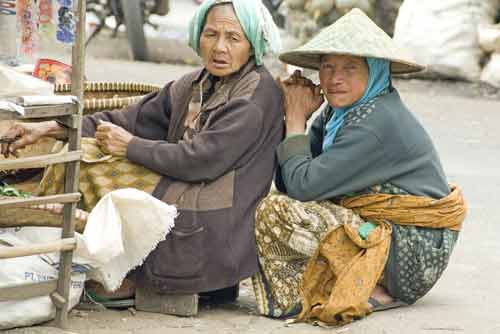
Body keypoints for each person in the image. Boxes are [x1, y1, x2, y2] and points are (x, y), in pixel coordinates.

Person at [1, 0, 284, 314]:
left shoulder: (255, 97)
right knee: (80, 150)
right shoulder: (196, 83)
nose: (219, 47)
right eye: (211, 34)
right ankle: (64, 258)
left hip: (214, 220)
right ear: (197, 36)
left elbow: (200, 160)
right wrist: (50, 129)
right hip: (185, 184)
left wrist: (131, 146)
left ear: (253, 45)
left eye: (233, 38)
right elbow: (129, 119)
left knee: (94, 171)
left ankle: (121, 272)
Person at [251, 9, 466, 325]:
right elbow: (290, 180)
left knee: (279, 212)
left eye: (350, 68)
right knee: (275, 205)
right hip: (380, 232)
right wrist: (301, 119)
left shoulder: (375, 122)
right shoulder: (340, 113)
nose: (335, 79)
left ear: (375, 72)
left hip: (409, 252)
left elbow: (302, 187)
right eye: (327, 67)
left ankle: (375, 287)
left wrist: (295, 119)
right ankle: (325, 288)